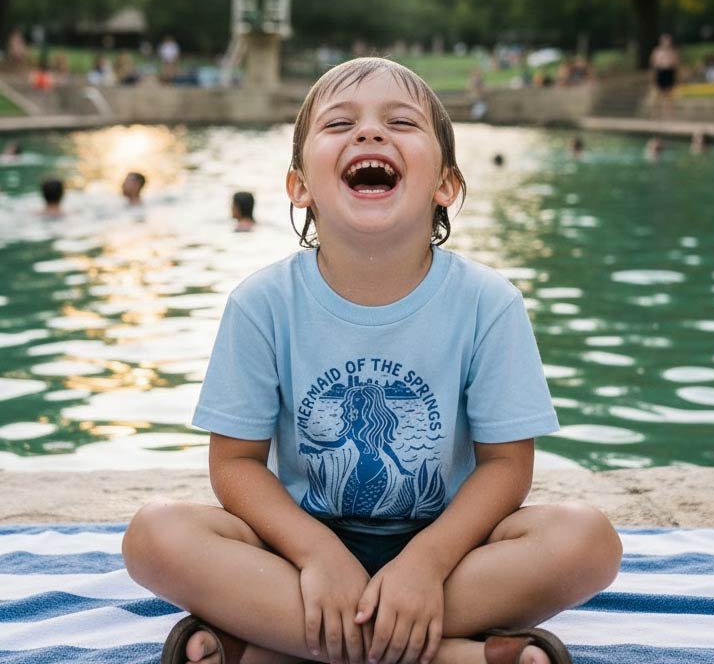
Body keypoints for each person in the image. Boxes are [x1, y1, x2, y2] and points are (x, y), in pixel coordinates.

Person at [122, 58, 621, 664]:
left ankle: (273, 647)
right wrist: (316, 553)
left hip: (448, 553)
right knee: (154, 536)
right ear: (299, 185)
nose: (369, 132)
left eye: (401, 122)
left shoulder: (488, 304)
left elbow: (507, 465)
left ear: (446, 185)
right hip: (299, 550)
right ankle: (449, 655)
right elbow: (234, 464)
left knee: (587, 541)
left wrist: (427, 562)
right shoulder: (261, 304)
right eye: (339, 124)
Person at [649, 33, 679, 117]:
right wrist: (653, 78)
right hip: (660, 72)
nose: (667, 43)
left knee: (669, 94)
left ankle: (668, 113)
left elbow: (676, 65)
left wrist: (677, 78)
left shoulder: (673, 52)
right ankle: (653, 113)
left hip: (669, 73)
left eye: (668, 41)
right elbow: (653, 65)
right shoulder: (657, 52)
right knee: (657, 94)